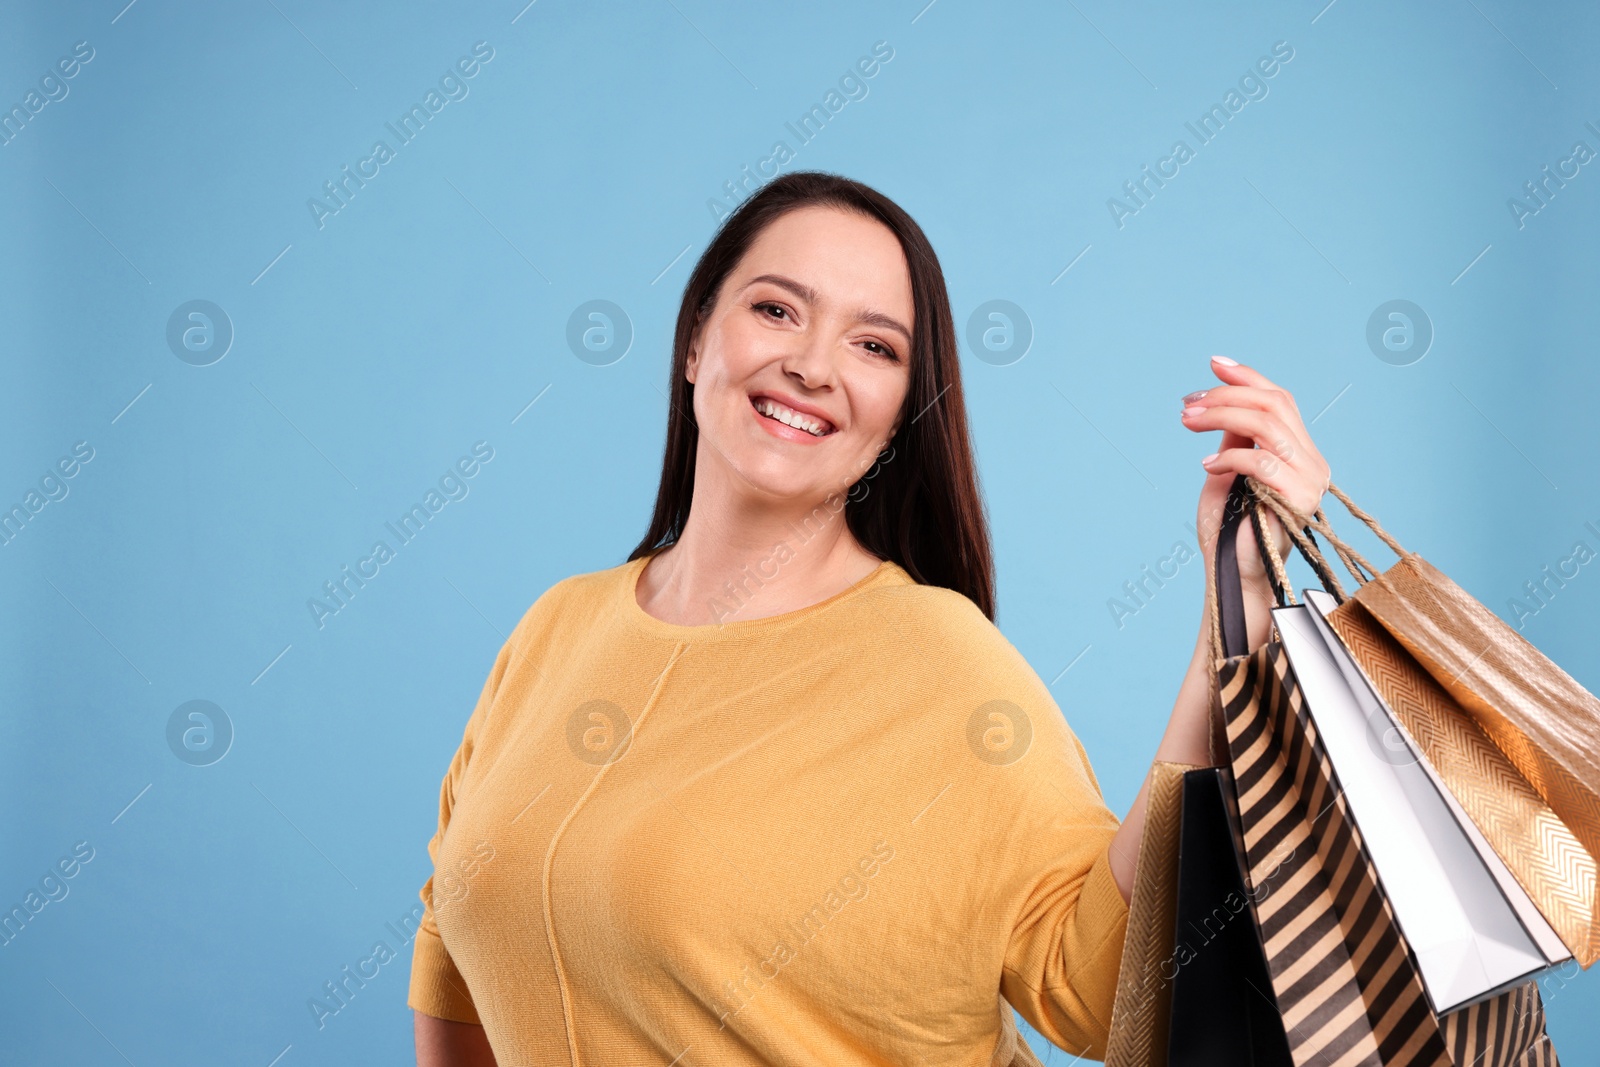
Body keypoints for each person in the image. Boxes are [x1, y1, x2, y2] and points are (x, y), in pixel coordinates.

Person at [407, 171, 1330, 1066]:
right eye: (776, 309)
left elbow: (1098, 985)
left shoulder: (941, 661)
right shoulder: (556, 628)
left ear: (898, 416)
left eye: (875, 346)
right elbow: (450, 941)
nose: (810, 365)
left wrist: (1235, 616)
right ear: (695, 341)